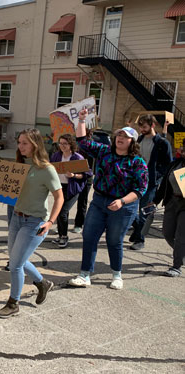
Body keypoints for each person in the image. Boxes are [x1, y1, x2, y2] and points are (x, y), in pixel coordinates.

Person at [69, 109, 148, 290]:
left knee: (114, 240)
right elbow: (83, 142)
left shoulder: (137, 162)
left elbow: (140, 189)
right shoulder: (105, 151)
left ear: (132, 142)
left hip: (123, 206)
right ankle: (84, 274)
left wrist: (122, 201)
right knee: (89, 236)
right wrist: (81, 120)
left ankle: (116, 274)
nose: (120, 138)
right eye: (118, 135)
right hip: (99, 201)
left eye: (125, 137)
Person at [0, 128, 63, 318]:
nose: (20, 146)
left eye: (24, 142)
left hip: (35, 222)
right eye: (19, 142)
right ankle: (42, 283)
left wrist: (50, 222)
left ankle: (13, 303)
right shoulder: (19, 164)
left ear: (35, 144)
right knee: (18, 260)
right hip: (16, 218)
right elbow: (10, 189)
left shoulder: (47, 169)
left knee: (15, 264)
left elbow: (59, 198)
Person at [129, 114, 172, 250]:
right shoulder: (139, 140)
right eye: (140, 126)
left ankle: (140, 239)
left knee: (145, 212)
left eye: (144, 127)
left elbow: (167, 164)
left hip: (150, 183)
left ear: (152, 125)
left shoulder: (162, 143)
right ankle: (137, 230)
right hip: (134, 180)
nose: (141, 129)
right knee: (128, 209)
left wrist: (157, 176)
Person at [50, 134, 92, 248]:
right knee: (60, 212)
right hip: (59, 188)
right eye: (60, 143)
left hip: (72, 189)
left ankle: (64, 236)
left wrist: (73, 175)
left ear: (71, 144)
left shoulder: (77, 157)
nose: (62, 146)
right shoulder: (56, 156)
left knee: (62, 212)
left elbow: (87, 174)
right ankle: (60, 235)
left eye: (65, 143)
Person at [153, 145, 185, 277]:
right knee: (167, 233)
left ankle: (176, 266)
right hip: (172, 202)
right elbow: (165, 184)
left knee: (180, 237)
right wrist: (155, 200)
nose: (181, 150)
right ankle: (182, 252)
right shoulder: (175, 164)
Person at [73, 129, 94, 234]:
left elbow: (90, 165)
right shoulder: (73, 143)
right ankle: (61, 224)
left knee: (82, 201)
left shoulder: (91, 146)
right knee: (66, 200)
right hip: (72, 175)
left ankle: (78, 224)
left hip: (85, 176)